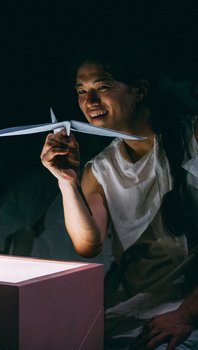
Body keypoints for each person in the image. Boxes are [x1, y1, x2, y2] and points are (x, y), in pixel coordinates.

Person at [40, 45, 198, 349]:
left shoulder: (191, 136)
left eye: (102, 87)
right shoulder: (100, 170)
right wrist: (67, 182)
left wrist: (188, 313)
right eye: (81, 91)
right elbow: (88, 244)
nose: (90, 101)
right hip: (146, 303)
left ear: (139, 90)